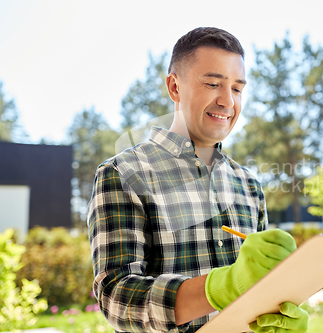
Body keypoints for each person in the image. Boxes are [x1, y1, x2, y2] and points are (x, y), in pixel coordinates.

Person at [87, 27, 308, 333]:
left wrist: (277, 311)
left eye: (237, 88)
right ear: (174, 87)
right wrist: (219, 288)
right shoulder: (123, 173)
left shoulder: (249, 187)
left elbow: (257, 291)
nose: (227, 101)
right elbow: (117, 298)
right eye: (213, 83)